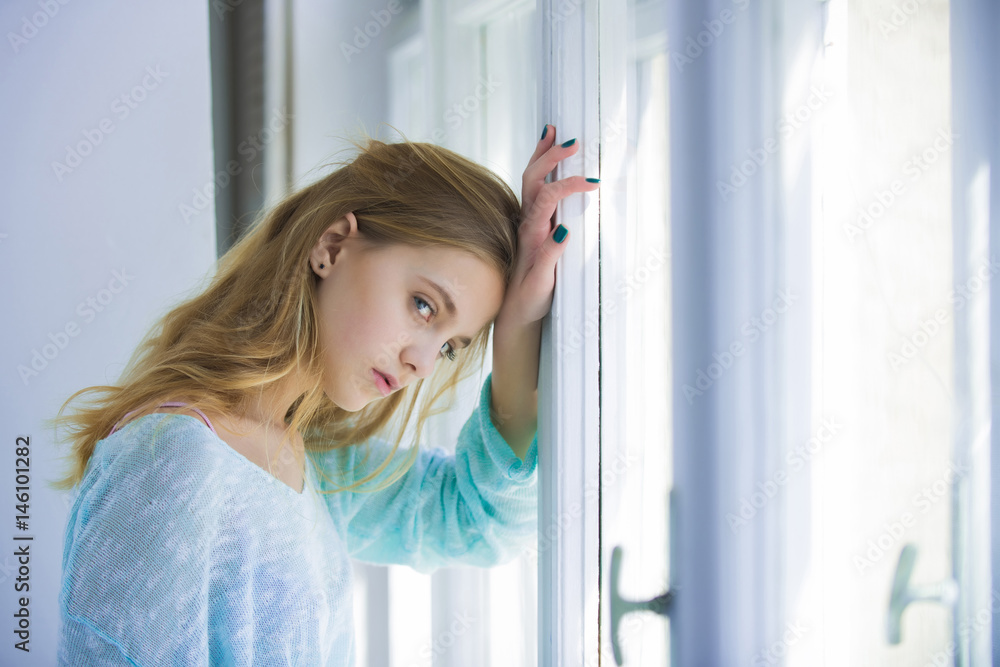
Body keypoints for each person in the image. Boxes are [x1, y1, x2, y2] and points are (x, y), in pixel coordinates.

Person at [51, 124, 600, 665]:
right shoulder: (173, 459)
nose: (423, 362)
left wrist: (520, 328)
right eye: (424, 305)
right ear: (332, 245)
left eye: (452, 347)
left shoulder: (316, 460)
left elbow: (480, 523)